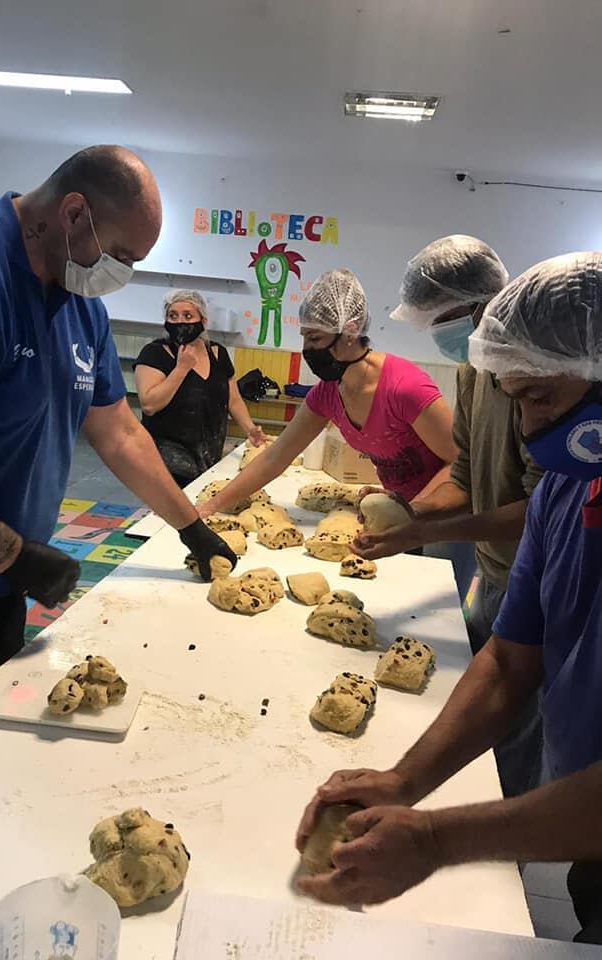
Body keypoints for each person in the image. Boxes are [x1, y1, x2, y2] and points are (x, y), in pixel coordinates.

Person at [0, 145, 235, 765]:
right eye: (122, 256)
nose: (122, 273)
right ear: (73, 212)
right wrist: (16, 556)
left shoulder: (78, 303)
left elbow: (120, 432)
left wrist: (193, 528)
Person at [295, 252, 602, 945]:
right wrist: (403, 781)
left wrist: (435, 840)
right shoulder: (564, 486)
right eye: (514, 398)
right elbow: (509, 661)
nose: (527, 430)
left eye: (542, 398)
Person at [353, 235, 545, 797]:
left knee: (514, 723)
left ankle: (503, 844)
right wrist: (408, 514)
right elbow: (464, 475)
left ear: (482, 305)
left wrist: (429, 529)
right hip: (493, 572)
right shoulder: (472, 373)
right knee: (475, 699)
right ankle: (459, 799)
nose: (439, 335)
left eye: (442, 319)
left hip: (537, 582)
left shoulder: (532, 382)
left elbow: (538, 511)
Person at [199, 268, 457, 517]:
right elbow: (276, 457)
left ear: (350, 331)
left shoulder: (404, 388)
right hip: (402, 515)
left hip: (442, 517)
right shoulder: (328, 393)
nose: (307, 350)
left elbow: (460, 462)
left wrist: (413, 513)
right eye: (304, 338)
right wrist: (212, 506)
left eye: (315, 339)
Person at [134, 289, 265, 487]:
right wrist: (181, 368)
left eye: (188, 316)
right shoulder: (154, 353)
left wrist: (250, 429)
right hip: (165, 460)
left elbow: (233, 399)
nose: (180, 322)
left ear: (203, 321)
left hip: (208, 455)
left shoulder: (217, 352)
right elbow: (150, 404)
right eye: (173, 315)